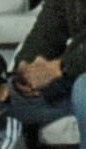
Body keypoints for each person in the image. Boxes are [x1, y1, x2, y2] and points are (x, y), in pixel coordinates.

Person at [9, 0, 86, 138]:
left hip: (78, 78)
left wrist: (59, 67)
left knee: (83, 87)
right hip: (72, 75)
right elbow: (48, 27)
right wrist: (26, 67)